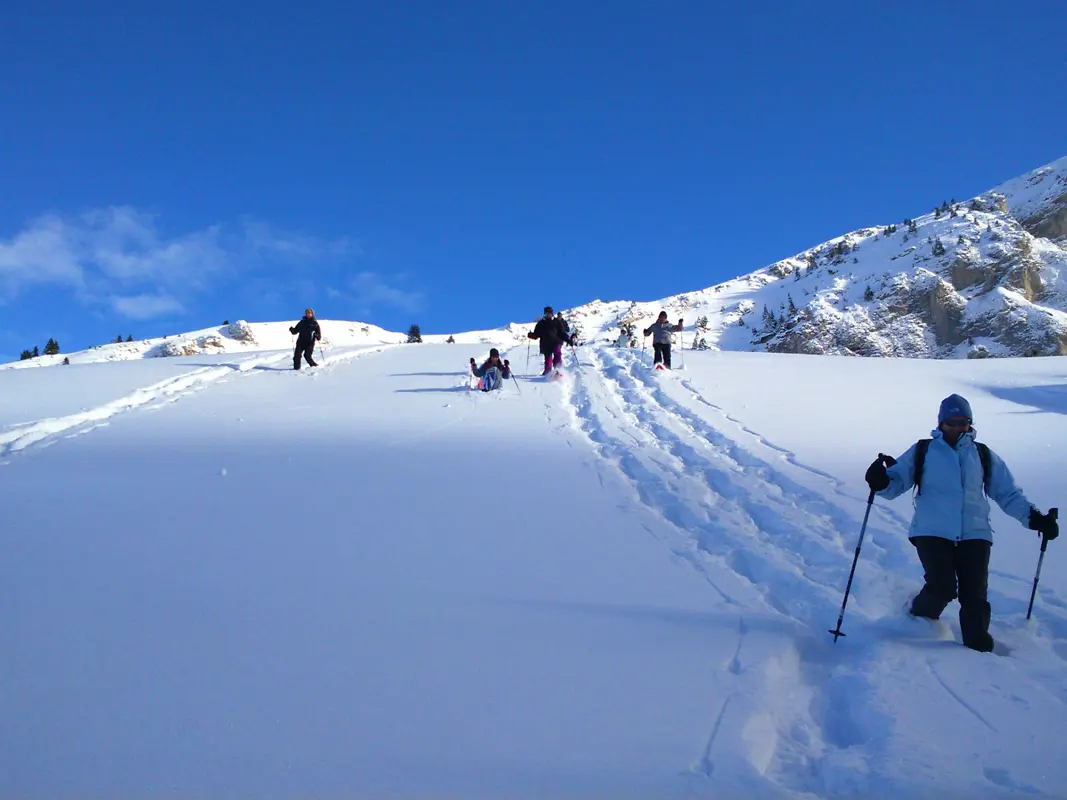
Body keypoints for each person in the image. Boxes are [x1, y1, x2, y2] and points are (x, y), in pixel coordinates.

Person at [865, 393, 1058, 653]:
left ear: (970, 423)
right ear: (941, 423)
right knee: (942, 587)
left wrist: (1035, 519)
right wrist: (880, 481)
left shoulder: (982, 454)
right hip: (932, 531)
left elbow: (1007, 493)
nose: (957, 427)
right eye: (951, 422)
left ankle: (978, 647)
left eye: (963, 422)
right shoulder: (924, 450)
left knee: (975, 595)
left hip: (975, 533)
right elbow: (895, 483)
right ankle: (916, 619)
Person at [527, 306, 568, 376]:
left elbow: (562, 332)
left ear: (552, 313)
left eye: (549, 313)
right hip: (545, 344)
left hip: (556, 342)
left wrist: (568, 339)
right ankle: (547, 372)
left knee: (557, 353)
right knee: (548, 359)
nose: (548, 315)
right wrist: (531, 335)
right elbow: (536, 334)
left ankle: (558, 370)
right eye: (546, 313)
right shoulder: (541, 323)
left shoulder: (556, 321)